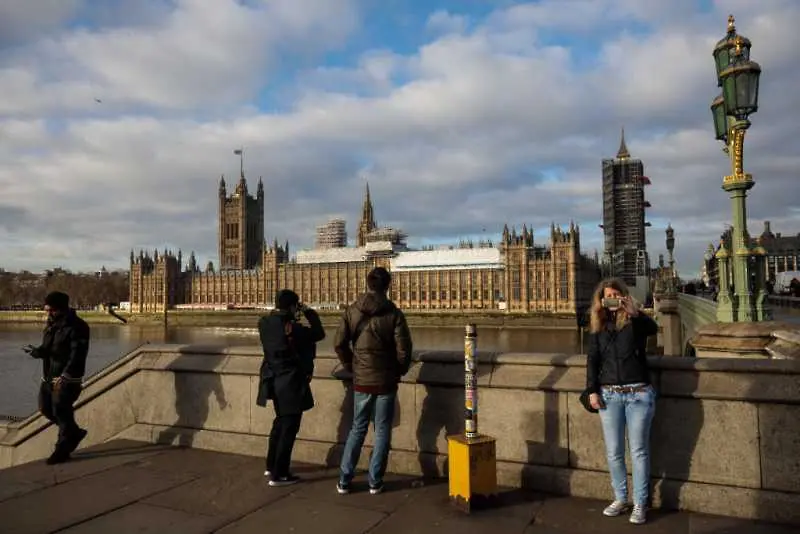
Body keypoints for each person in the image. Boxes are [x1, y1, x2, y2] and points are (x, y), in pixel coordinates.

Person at [585, 278, 659, 525]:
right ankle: (620, 498)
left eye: (617, 294)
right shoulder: (597, 326)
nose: (613, 299)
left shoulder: (635, 322)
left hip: (638, 394)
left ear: (625, 296)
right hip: (610, 395)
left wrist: (636, 314)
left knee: (638, 451)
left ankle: (640, 503)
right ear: (601, 300)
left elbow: (653, 329)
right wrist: (592, 390)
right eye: (608, 295)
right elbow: (592, 360)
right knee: (614, 452)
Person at [333, 267, 412, 495]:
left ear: (368, 284)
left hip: (361, 380)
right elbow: (404, 350)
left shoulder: (352, 310)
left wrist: (351, 366)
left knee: (357, 428)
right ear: (388, 286)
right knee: (382, 430)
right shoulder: (394, 313)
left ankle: (344, 480)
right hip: (386, 380)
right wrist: (398, 371)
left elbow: (339, 343)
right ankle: (375, 481)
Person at [256, 289, 325, 487]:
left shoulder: (264, 323)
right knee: (289, 427)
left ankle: (271, 465)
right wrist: (309, 311)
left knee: (279, 423)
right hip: (290, 381)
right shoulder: (293, 328)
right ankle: (280, 474)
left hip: (272, 379)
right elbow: (319, 333)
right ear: (293, 306)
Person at [23, 291, 91, 465]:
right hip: (48, 377)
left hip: (67, 379)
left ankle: (62, 449)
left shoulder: (78, 326)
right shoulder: (51, 325)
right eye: (47, 310)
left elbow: (78, 354)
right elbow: (48, 349)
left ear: (62, 308)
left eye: (52, 310)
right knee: (45, 409)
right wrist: (37, 352)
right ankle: (74, 432)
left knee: (61, 411)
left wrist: (66, 375)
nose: (48, 313)